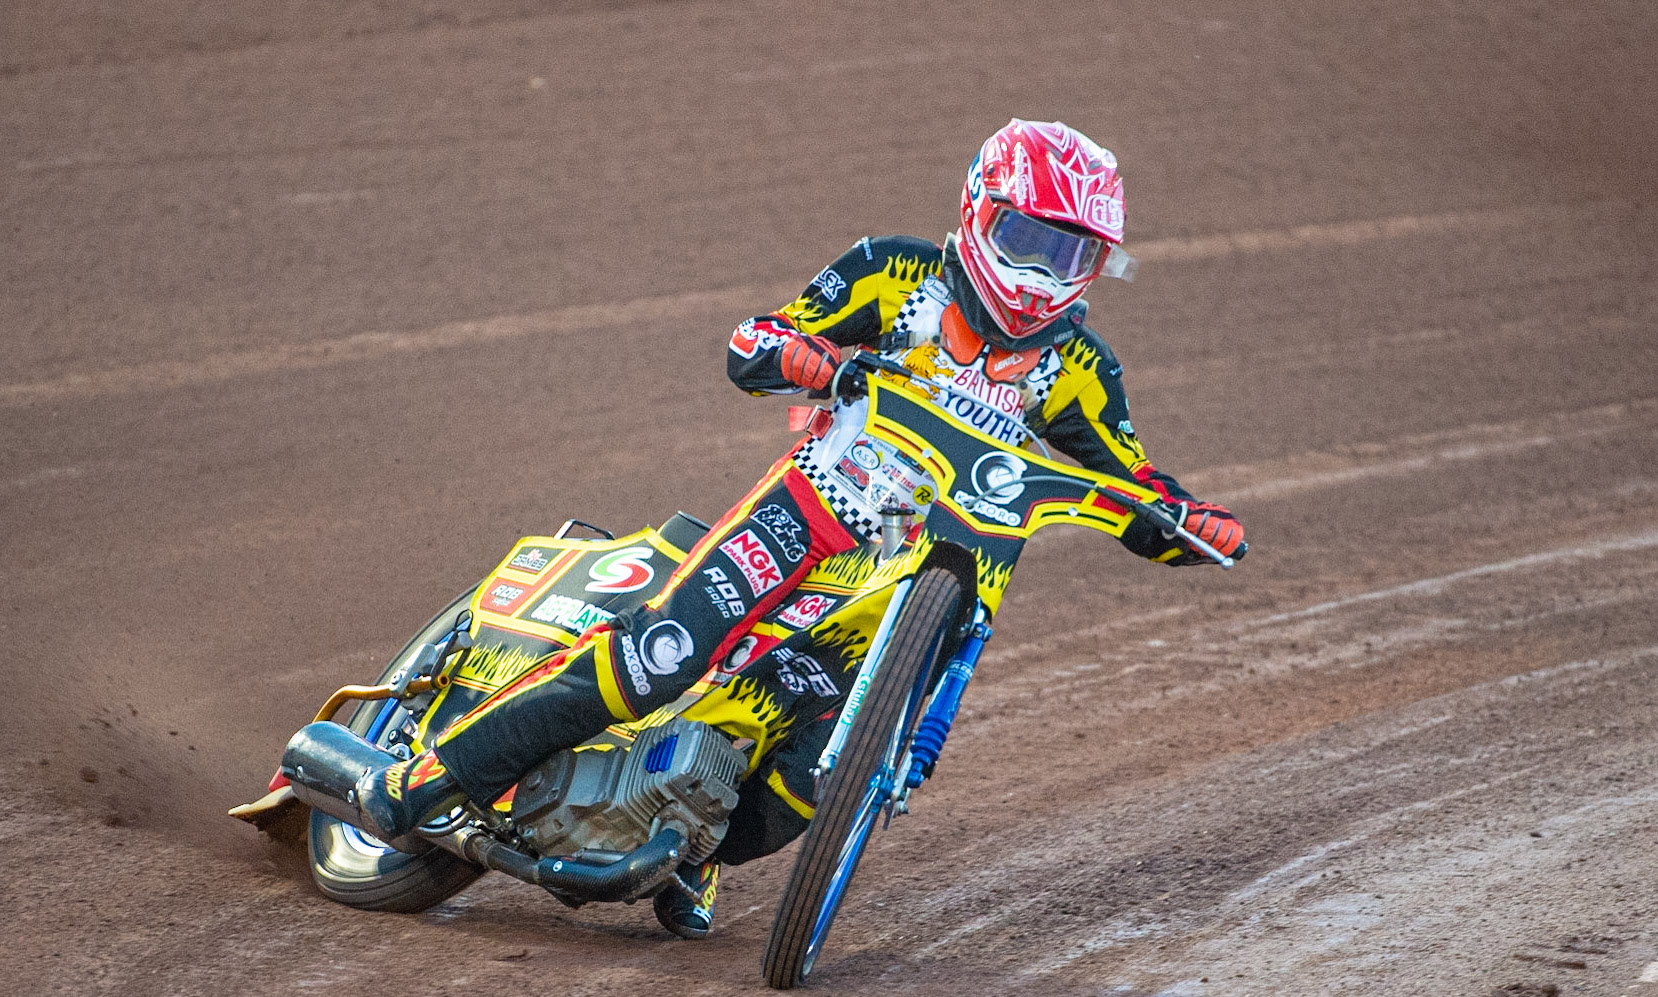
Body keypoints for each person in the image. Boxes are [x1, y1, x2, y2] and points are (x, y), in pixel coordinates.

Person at [356, 119, 1246, 939]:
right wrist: (802, 354)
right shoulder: (898, 277)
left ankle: (689, 847)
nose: (1044, 273)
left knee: (808, 782)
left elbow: (1137, 484)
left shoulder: (1082, 370)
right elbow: (755, 340)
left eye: (1074, 253)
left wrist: (1188, 518)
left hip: (922, 565)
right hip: (817, 507)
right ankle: (428, 776)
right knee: (661, 653)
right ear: (980, 213)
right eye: (1030, 241)